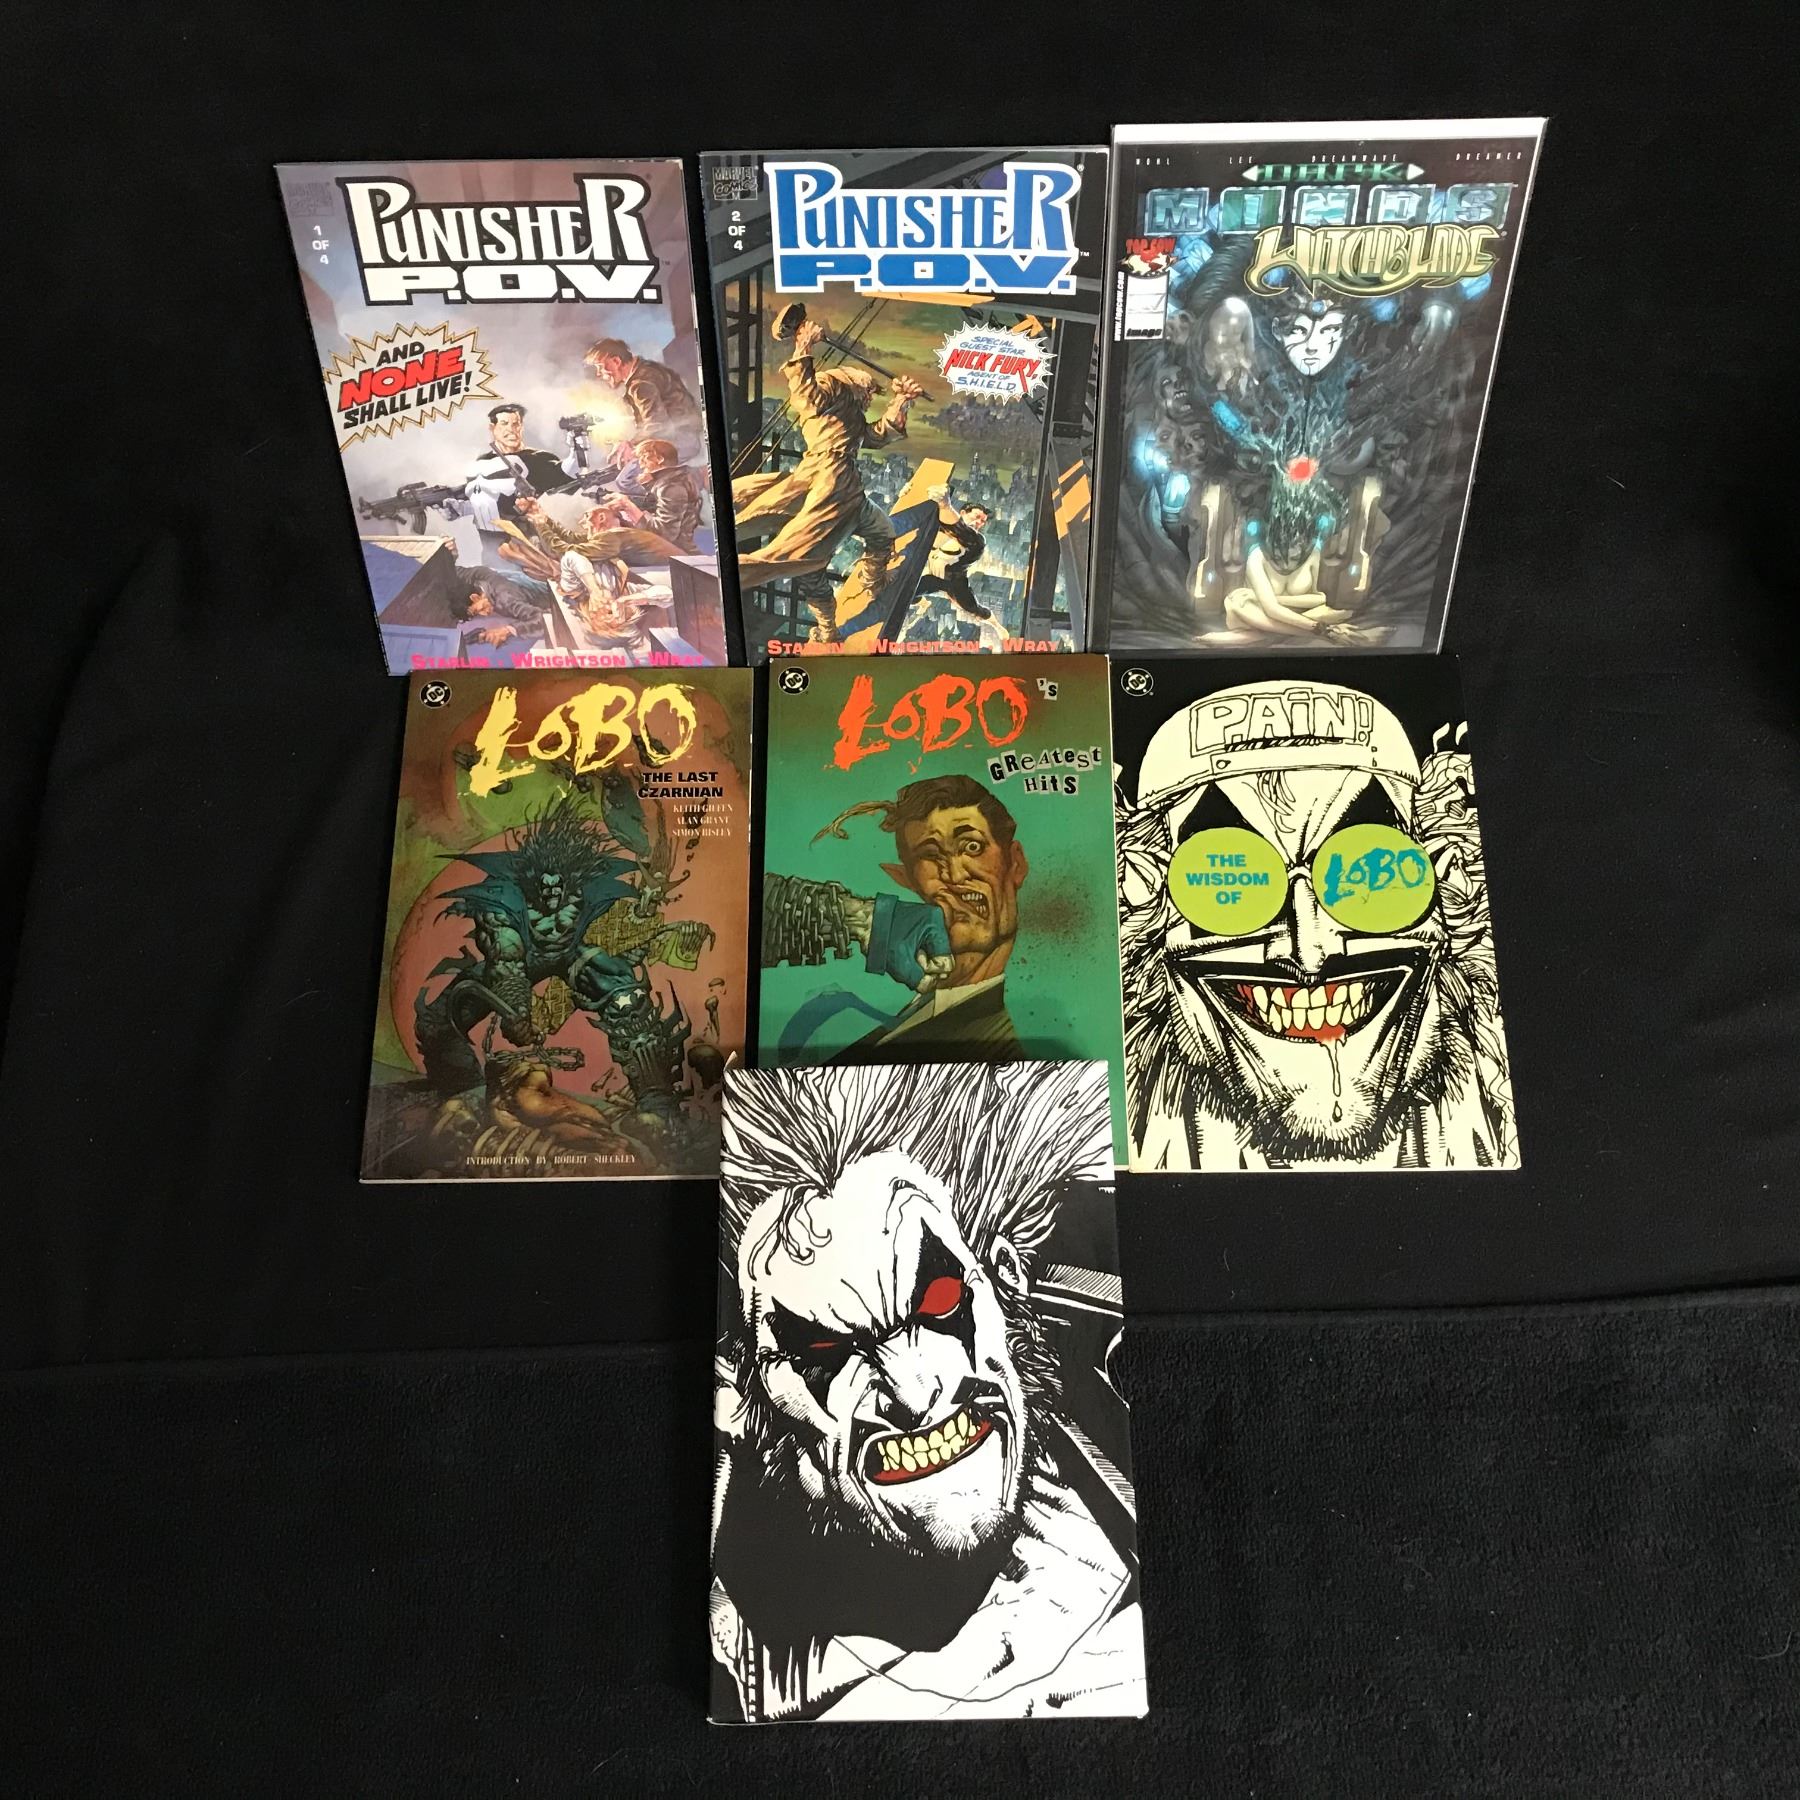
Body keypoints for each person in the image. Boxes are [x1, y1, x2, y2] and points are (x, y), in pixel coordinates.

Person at [761, 773, 1028, 1059]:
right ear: (905, 878)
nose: (955, 874)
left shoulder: (995, 1051)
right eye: (930, 854)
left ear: (1015, 864)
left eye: (972, 846)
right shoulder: (903, 1014)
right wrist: (861, 918)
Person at [729, 316, 924, 629]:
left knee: (882, 533)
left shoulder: (850, 415)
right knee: (799, 556)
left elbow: (877, 435)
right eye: (869, 391)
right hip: (831, 481)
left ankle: (872, 584)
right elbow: (806, 397)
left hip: (846, 488)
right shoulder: (833, 390)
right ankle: (725, 575)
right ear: (855, 384)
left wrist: (902, 400)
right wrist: (803, 346)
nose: (870, 398)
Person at [580, 338, 706, 461]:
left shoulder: (641, 384)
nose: (598, 374)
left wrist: (631, 445)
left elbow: (656, 426)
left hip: (678, 442)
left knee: (628, 472)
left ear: (616, 361)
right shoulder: (645, 370)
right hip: (681, 438)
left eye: (600, 367)